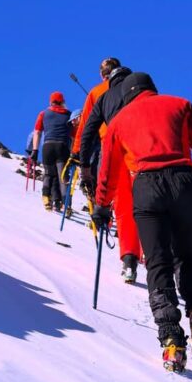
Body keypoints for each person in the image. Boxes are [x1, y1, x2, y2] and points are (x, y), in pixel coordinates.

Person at [91, 76, 192, 373]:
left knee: (158, 262)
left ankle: (171, 338)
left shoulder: (119, 121)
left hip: (146, 188)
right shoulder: (181, 105)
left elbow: (108, 168)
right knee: (186, 255)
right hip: (185, 182)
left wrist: (101, 206)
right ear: (152, 88)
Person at [79, 65, 147, 283]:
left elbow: (87, 131)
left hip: (113, 152)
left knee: (124, 208)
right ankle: (162, 260)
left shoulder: (102, 96)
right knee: (151, 206)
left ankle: (129, 262)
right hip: (143, 152)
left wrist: (84, 166)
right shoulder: (141, 93)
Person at [31, 92, 71, 212]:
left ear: (51, 101)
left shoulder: (43, 114)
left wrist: (35, 150)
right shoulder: (68, 115)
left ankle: (47, 198)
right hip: (63, 147)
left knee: (49, 173)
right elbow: (73, 136)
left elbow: (37, 132)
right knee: (62, 176)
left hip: (48, 146)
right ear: (62, 101)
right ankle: (66, 204)